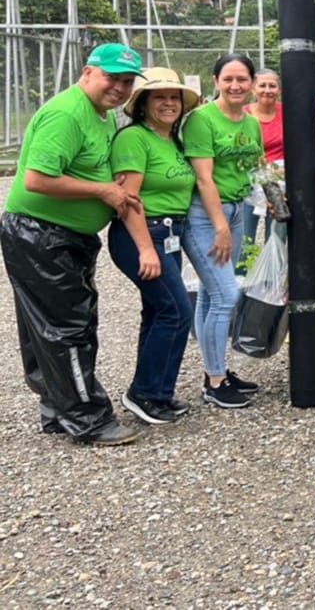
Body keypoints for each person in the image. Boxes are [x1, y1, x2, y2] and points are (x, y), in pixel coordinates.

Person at [1, 43, 144, 445]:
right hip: (42, 233)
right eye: (112, 77)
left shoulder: (99, 114)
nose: (119, 87)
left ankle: (57, 408)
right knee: (68, 328)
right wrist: (103, 192)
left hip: (59, 234)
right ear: (87, 72)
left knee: (44, 327)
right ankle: (88, 418)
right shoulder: (67, 113)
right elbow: (36, 179)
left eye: (127, 81)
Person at [108, 67, 200, 425]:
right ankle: (144, 392)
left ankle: (157, 392)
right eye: (159, 96)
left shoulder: (171, 141)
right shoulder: (134, 139)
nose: (168, 103)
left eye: (174, 97)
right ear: (143, 104)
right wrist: (146, 249)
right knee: (177, 312)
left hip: (169, 233)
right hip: (142, 233)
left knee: (158, 311)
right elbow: (127, 198)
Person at [181, 52, 264, 409]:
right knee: (226, 295)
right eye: (228, 79)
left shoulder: (249, 121)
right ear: (215, 81)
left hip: (235, 209)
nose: (235, 85)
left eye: (242, 79)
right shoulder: (201, 119)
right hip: (205, 215)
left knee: (211, 293)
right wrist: (220, 227)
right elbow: (203, 178)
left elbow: (253, 167)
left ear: (251, 84)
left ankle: (215, 370)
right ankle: (215, 382)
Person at [241, 68, 283, 250]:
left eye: (272, 86)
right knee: (245, 235)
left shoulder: (286, 112)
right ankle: (240, 274)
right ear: (253, 88)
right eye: (262, 85)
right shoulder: (243, 114)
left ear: (279, 89)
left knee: (275, 234)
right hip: (249, 180)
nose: (267, 90)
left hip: (280, 181)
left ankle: (272, 275)